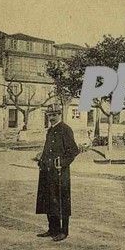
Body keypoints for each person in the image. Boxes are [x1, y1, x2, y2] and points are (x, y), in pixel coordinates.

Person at [35, 103, 80, 242]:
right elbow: (48, 149)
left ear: (59, 114)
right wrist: (41, 159)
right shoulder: (50, 130)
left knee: (62, 201)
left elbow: (73, 151)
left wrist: (62, 163)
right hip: (47, 170)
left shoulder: (65, 129)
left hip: (60, 172)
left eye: (54, 115)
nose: (51, 118)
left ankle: (63, 232)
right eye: (49, 115)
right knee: (49, 200)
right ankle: (52, 229)